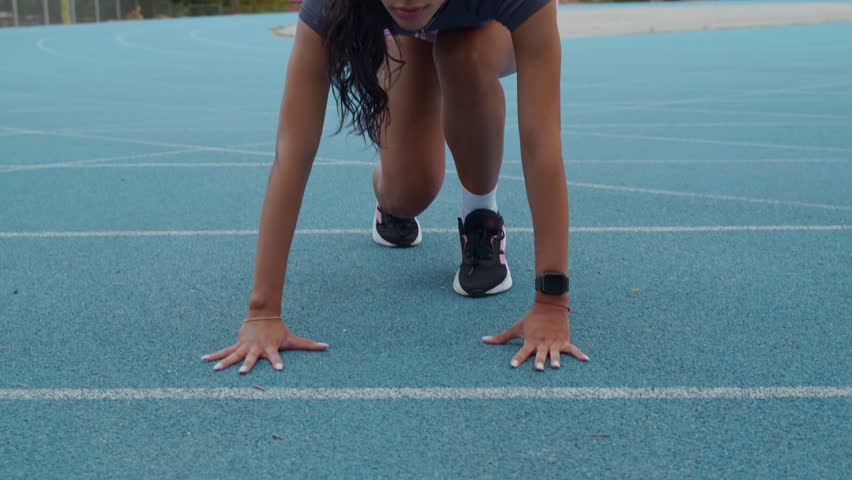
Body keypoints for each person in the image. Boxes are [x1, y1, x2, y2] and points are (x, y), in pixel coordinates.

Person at [202, 0, 588, 374]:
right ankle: (390, 184)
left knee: (462, 55)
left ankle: (480, 215)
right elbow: (292, 153)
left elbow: (542, 144)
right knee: (408, 193)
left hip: (483, 31)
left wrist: (552, 302)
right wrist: (262, 312)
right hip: (406, 36)